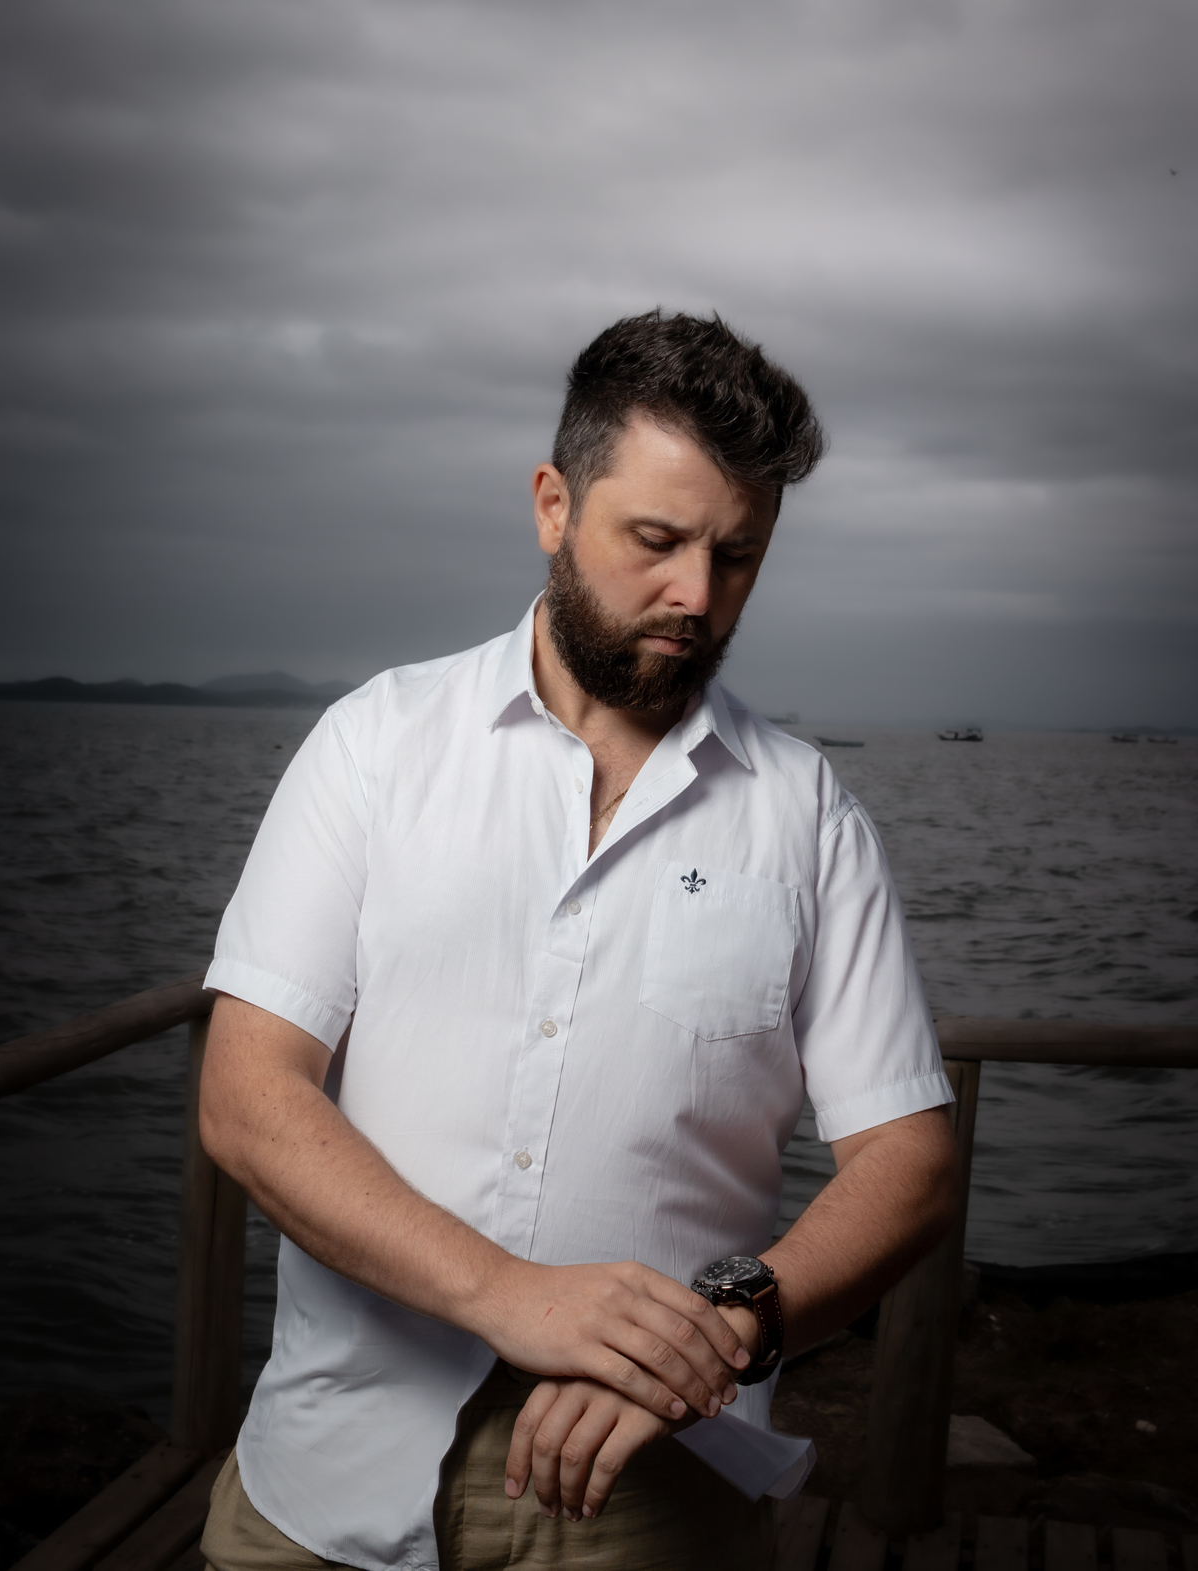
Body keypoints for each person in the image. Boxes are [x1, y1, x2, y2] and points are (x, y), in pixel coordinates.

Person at [197, 309, 960, 1571]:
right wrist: (510, 1292)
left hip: (656, 1493)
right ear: (553, 505)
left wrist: (717, 1334)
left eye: (738, 556)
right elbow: (246, 1096)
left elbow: (911, 1161)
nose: (697, 596)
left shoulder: (810, 814)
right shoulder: (374, 745)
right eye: (656, 541)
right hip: (326, 1475)